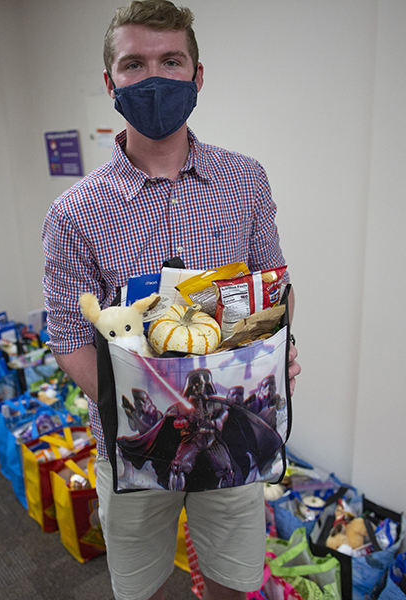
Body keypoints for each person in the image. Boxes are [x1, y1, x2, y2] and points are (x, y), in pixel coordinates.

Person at [41, 2, 300, 599]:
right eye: (134, 64)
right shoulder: (76, 212)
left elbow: (272, 289)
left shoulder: (245, 181)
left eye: (171, 60)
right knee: (144, 591)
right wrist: (148, 411)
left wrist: (276, 355)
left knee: (235, 585)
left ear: (197, 74)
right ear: (111, 84)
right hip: (133, 446)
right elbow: (68, 339)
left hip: (230, 430)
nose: (154, 77)